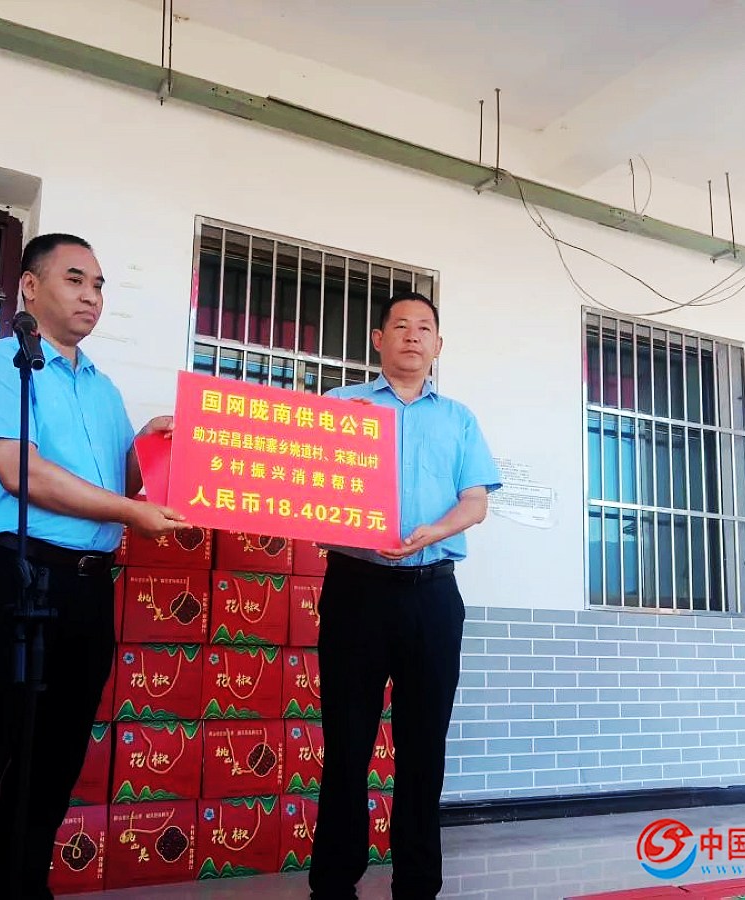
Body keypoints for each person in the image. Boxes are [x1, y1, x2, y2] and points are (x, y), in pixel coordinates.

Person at [0, 233, 187, 900]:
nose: (90, 295)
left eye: (98, 285)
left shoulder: (104, 389)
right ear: (31, 288)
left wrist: (153, 447)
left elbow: (120, 484)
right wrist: (131, 513)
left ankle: (22, 888)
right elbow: (22, 473)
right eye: (75, 279)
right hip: (11, 577)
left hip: (88, 588)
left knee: (55, 762)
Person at [308, 291, 502, 900]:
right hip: (356, 590)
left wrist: (434, 532)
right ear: (378, 339)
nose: (412, 336)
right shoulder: (341, 405)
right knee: (346, 744)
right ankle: (333, 883)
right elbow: (300, 485)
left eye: (424, 328)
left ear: (438, 345)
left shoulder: (459, 419)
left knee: (423, 748)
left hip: (432, 595)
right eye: (400, 326)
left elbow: (476, 501)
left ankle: (417, 884)